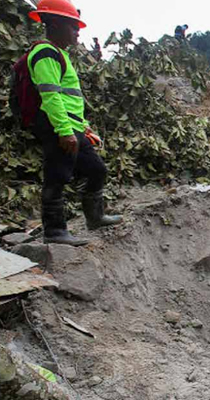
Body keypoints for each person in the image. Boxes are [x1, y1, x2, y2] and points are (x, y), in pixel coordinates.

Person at [25, 0, 122, 246]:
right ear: (55, 24)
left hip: (72, 127)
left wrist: (84, 128)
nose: (78, 32)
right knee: (57, 177)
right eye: (73, 26)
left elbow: (69, 99)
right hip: (58, 128)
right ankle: (55, 232)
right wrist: (65, 131)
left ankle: (95, 217)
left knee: (96, 169)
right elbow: (51, 96)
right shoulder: (45, 53)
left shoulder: (60, 55)